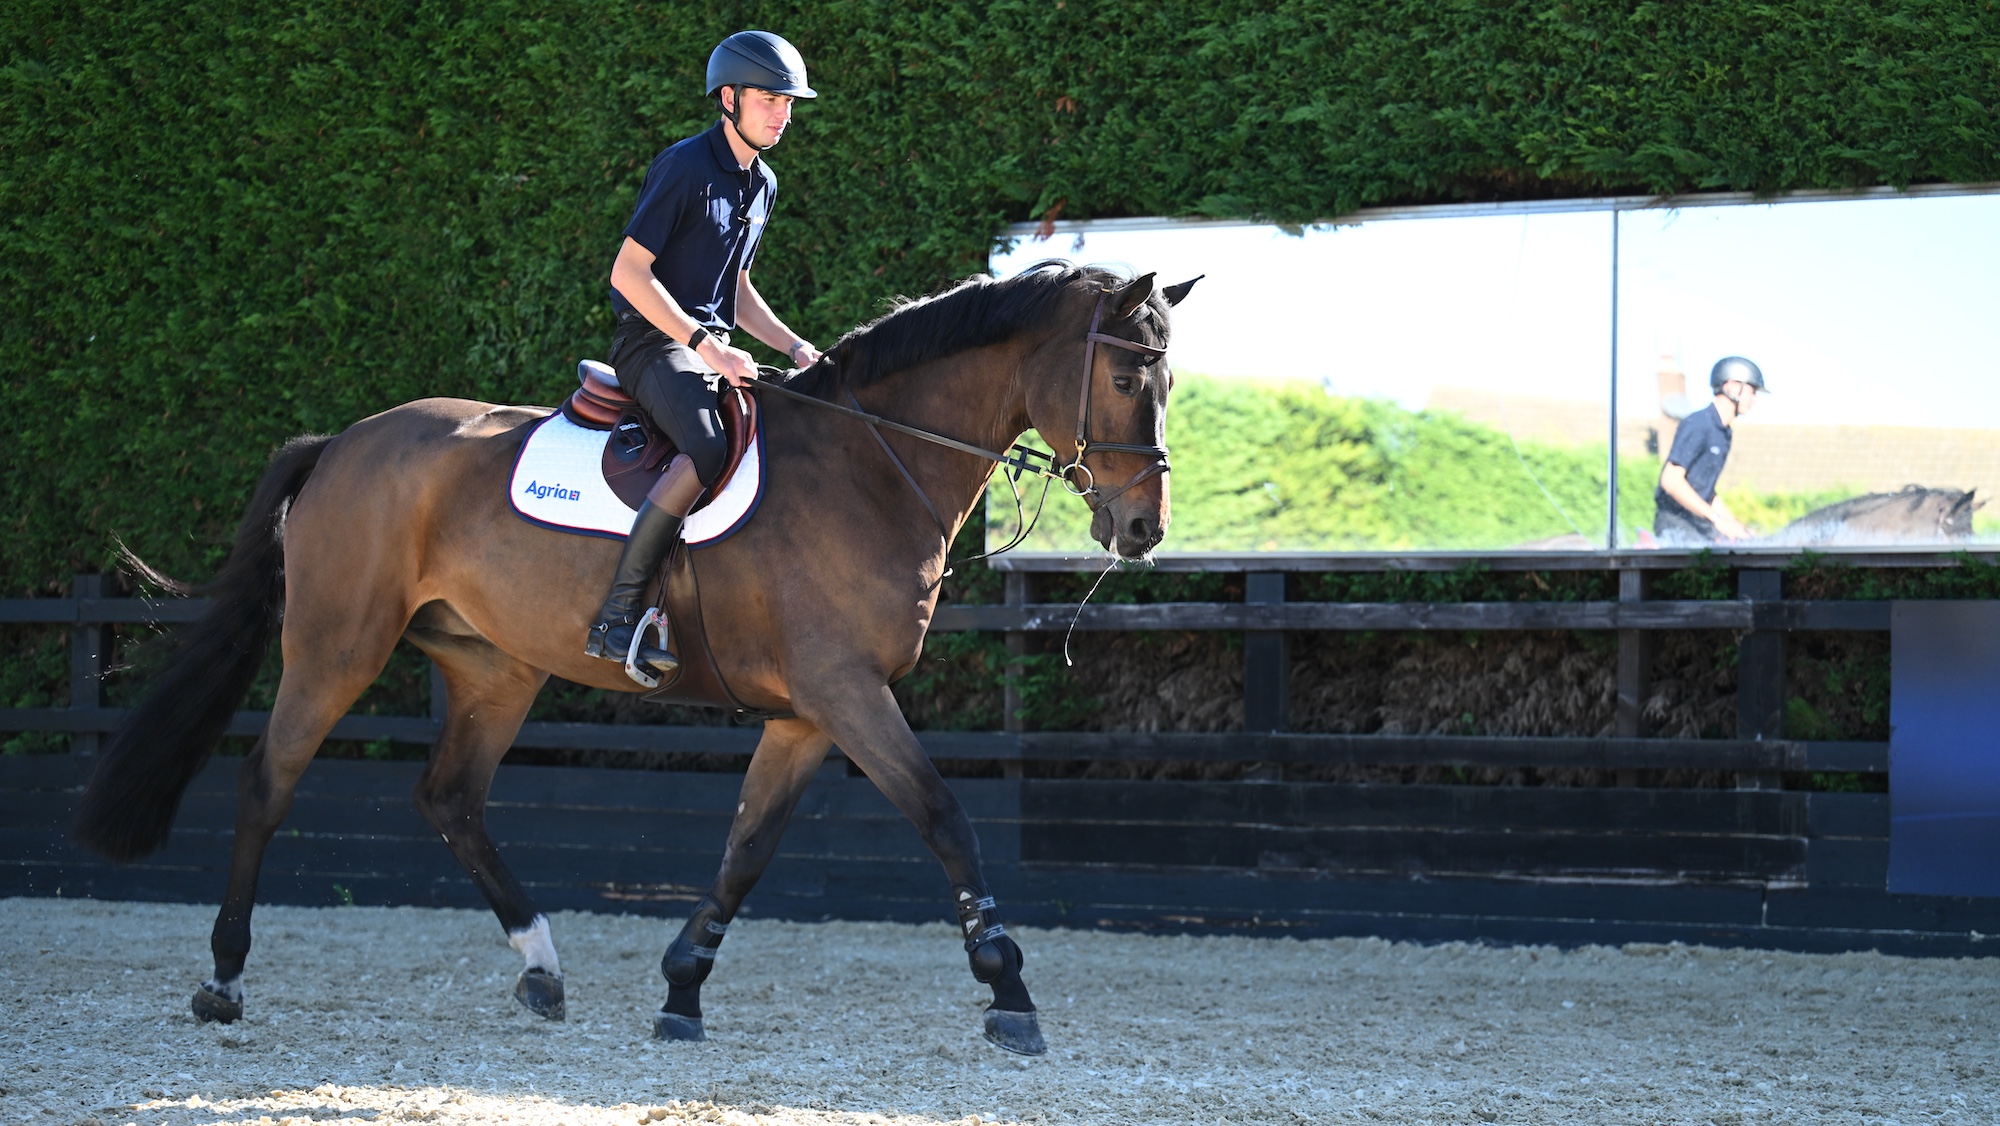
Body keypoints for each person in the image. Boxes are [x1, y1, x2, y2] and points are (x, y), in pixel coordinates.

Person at [585, 30, 824, 679]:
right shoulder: (684, 166)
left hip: (706, 349)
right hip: (650, 344)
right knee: (711, 445)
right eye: (770, 99)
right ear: (729, 97)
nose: (783, 112)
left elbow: (736, 290)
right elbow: (629, 274)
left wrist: (797, 348)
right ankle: (617, 616)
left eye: (789, 102)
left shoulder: (763, 184)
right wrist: (705, 346)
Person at [1653, 356, 1768, 545]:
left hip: (1699, 522)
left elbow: (1706, 492)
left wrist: (1736, 526)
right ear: (1731, 386)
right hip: (1675, 524)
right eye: (1752, 390)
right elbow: (1671, 480)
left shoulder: (1724, 434)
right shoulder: (1698, 424)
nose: (1755, 399)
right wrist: (1717, 520)